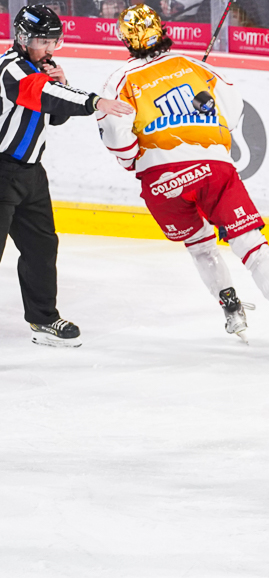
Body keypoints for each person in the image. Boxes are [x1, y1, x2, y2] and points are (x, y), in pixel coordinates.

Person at [97, 4, 269, 344]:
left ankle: (231, 307)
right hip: (212, 167)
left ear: (125, 40)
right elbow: (233, 109)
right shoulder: (193, 66)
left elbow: (116, 133)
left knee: (200, 246)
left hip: (159, 177)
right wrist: (206, 132)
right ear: (161, 29)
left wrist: (133, 162)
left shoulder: (119, 79)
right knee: (250, 244)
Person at [0, 4, 133, 347]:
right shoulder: (11, 69)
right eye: (43, 41)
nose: (49, 49)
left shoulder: (41, 68)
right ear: (23, 38)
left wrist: (64, 83)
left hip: (31, 175)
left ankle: (43, 319)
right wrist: (93, 101)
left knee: (42, 247)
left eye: (53, 42)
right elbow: (41, 94)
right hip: (1, 172)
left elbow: (54, 115)